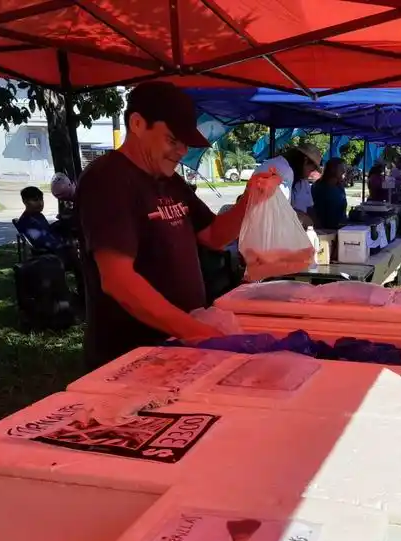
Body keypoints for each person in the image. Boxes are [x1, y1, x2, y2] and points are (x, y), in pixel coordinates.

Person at [76, 81, 260, 371]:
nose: (181, 152)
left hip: (176, 346)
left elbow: (213, 235)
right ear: (137, 123)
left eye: (185, 143)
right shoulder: (107, 181)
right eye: (172, 140)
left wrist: (252, 199)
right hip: (129, 355)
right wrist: (198, 333)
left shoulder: (170, 181)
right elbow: (118, 280)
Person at [17, 185, 84, 293]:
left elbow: (47, 231)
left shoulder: (38, 216)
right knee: (80, 258)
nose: (40, 203)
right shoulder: (27, 222)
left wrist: (60, 223)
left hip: (54, 250)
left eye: (41, 199)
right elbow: (44, 241)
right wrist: (64, 242)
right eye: (35, 200)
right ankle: (83, 289)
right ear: (25, 202)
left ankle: (82, 288)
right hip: (49, 255)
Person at [254, 142, 322, 227]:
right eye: (312, 169)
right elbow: (278, 212)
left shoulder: (277, 165)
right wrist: (301, 217)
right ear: (305, 161)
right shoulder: (284, 171)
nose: (310, 174)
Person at [312, 157, 348, 229]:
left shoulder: (340, 186)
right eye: (341, 169)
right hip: (326, 230)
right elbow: (317, 212)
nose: (344, 171)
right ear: (332, 170)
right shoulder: (319, 187)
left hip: (341, 228)